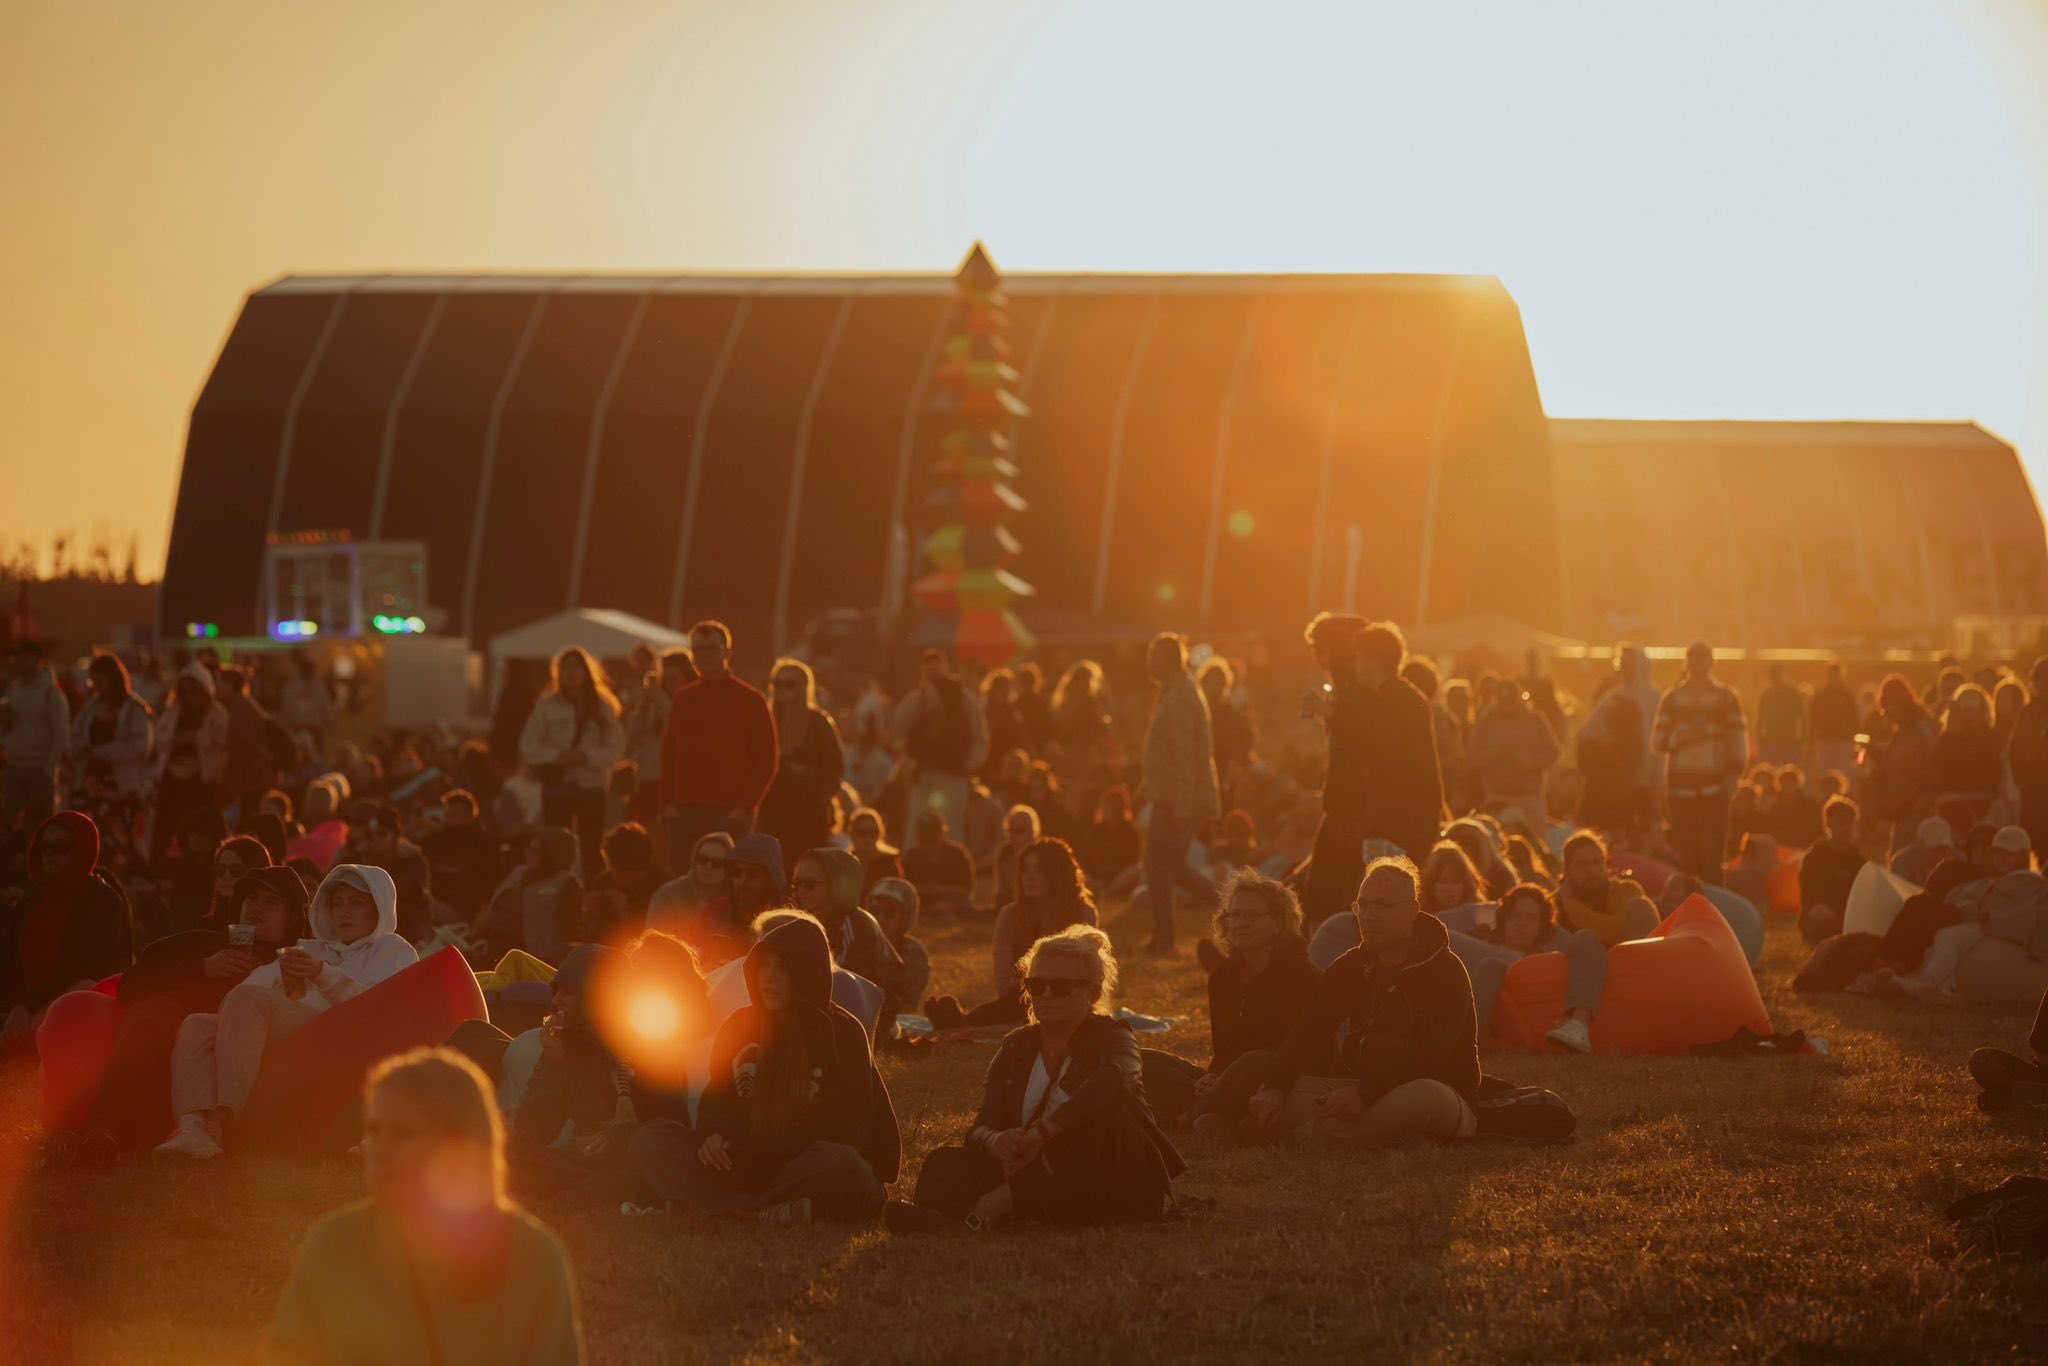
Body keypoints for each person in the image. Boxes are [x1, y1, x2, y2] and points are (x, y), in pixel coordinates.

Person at [268, 1047, 586, 1365]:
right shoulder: (335, 1243)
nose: (379, 1149)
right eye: (375, 1131)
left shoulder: (535, 1257)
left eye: (402, 1133)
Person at [888, 926, 1182, 1231]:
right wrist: (997, 1141)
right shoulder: (1016, 1046)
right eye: (1036, 985)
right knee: (944, 1163)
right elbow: (981, 1126)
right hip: (1037, 1171)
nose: (1046, 995)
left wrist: (1043, 1132)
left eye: (1061, 986)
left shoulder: (1115, 1037)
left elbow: (1115, 1080)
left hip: (1106, 1176)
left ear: (1092, 993)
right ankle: (983, 1216)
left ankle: (998, 1206)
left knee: (1104, 1120)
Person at [631, 915, 899, 1224]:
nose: (769, 978)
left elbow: (846, 1128)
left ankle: (725, 1210)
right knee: (651, 1140)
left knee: (840, 1164)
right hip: (748, 1162)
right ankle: (758, 1211)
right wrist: (715, 1135)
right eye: (764, 967)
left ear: (806, 973)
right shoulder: (740, 1025)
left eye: (782, 968)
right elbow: (717, 1099)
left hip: (801, 1163)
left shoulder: (843, 1032)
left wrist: (765, 1157)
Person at [50, 866, 308, 1166]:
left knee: (174, 1026)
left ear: (291, 919)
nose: (257, 908)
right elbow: (132, 983)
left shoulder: (294, 966)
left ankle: (106, 1134)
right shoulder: (202, 942)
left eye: (271, 902)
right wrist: (203, 967)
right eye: (252, 897)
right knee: (154, 1018)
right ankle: (100, 1133)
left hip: (223, 1061)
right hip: (155, 1039)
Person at [160, 863, 417, 1159]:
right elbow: (246, 991)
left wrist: (323, 974)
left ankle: (223, 1118)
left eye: (356, 902)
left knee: (250, 1001)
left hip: (344, 1036)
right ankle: (192, 1126)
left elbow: (379, 1007)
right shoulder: (310, 948)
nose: (344, 912)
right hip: (294, 1027)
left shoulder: (392, 951)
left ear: (379, 907)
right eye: (336, 904)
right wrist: (267, 992)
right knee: (198, 1023)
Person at [1247, 857, 1481, 1146]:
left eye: (1382, 906)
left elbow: (1428, 1061)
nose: (1369, 915)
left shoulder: (1445, 971)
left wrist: (1366, 1093)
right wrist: (1275, 1088)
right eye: (1363, 905)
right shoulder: (1351, 967)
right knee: (1270, 1083)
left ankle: (1298, 1137)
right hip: (1363, 1090)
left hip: (1439, 1093)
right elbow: (1307, 1032)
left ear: (1412, 911)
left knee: (1422, 1096)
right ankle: (1391, 1135)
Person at [1142, 872, 1320, 1134]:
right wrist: (1214, 1076)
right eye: (1234, 915)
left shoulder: (1302, 975)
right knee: (1142, 1060)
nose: (1239, 923)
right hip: (1231, 1083)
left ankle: (1185, 1119)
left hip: (1283, 1081)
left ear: (1278, 922)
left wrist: (1229, 1077)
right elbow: (1224, 1050)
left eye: (1251, 915)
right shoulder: (1222, 977)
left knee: (1257, 1061)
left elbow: (1297, 1052)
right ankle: (1216, 1115)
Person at [925, 838, 1099, 1030]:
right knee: (1018, 1002)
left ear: (1058, 875)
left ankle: (964, 1024)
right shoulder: (1009, 915)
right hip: (1020, 996)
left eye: (1039, 871)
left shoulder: (1083, 914)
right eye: (1025, 870)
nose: (1028, 877)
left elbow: (1085, 973)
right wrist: (1031, 987)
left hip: (1067, 995)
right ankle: (963, 1024)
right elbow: (1004, 981)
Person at [0, 811, 133, 1046]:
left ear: (81, 849)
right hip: (25, 1007)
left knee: (83, 987)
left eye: (60, 847)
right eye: (44, 847)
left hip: (82, 1005)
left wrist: (25, 1005)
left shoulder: (103, 901)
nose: (49, 854)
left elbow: (81, 965)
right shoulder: (31, 901)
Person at [659, 621, 779, 869]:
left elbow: (767, 757)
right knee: (683, 882)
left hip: (730, 812)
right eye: (699, 649)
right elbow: (669, 752)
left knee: (730, 883)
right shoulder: (683, 698)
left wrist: (747, 804)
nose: (705, 656)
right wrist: (666, 802)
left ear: (727, 652)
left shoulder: (751, 699)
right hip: (684, 810)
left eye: (712, 649)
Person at [1139, 632, 1222, 953]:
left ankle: (1164, 937)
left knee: (1158, 865)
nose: (1148, 662)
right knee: (1174, 867)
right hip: (1172, 796)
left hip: (1178, 800)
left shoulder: (1179, 696)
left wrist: (1183, 804)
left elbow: (1185, 754)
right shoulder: (1173, 691)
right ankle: (1237, 910)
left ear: (1169, 659)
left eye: (1153, 655)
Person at [518, 647, 624, 879]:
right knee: (557, 848)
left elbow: (615, 749)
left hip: (591, 786)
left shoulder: (603, 706)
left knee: (592, 849)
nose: (571, 673)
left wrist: (586, 757)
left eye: (576, 667)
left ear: (586, 671)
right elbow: (528, 746)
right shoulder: (546, 707)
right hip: (557, 786)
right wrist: (558, 756)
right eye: (565, 668)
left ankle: (594, 899)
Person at [1469, 881, 1608, 1054]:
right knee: (1492, 965)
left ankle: (1578, 1025)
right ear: (1503, 919)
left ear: (1541, 927)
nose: (1521, 923)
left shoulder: (1548, 962)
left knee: (1586, 938)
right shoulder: (1480, 952)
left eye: (1531, 918)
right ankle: (1464, 1041)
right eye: (1515, 915)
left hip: (1540, 1020)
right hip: (1497, 1023)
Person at [1651, 641, 1749, 881]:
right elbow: (1658, 741)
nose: (1698, 661)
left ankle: (1713, 909)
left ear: (1711, 662)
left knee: (1712, 854)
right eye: (1693, 656)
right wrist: (1685, 736)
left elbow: (1737, 741)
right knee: (1686, 855)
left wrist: (1733, 777)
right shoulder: (1672, 698)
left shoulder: (1726, 698)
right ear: (1687, 661)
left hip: (1715, 789)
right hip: (1680, 791)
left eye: (1702, 656)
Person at [63, 650, 155, 880]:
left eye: (100, 681)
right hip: (91, 784)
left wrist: (99, 752)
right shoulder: (91, 707)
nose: (96, 686)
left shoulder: (135, 708)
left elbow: (139, 747)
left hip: (120, 787)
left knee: (122, 841)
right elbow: (76, 736)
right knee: (92, 839)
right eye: (93, 681)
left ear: (113, 679)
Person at [787, 846, 908, 1020]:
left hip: (871, 1014)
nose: (800, 891)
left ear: (838, 884)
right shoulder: (810, 921)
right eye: (796, 885)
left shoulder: (855, 924)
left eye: (809, 884)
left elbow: (840, 981)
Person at [757, 659, 846, 864]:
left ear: (803, 686)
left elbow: (835, 766)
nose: (782, 689)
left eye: (789, 684)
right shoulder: (767, 719)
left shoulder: (818, 722)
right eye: (777, 683)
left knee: (806, 864)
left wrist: (820, 796)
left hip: (807, 809)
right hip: (773, 808)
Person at [896, 652, 987, 838]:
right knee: (916, 828)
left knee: (951, 829)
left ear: (946, 668)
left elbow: (979, 735)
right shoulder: (918, 700)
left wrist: (973, 761)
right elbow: (899, 729)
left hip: (953, 776)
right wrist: (905, 760)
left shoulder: (962, 697)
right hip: (924, 776)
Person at [149, 663, 230, 868]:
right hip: (173, 778)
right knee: (165, 825)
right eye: (184, 690)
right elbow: (159, 738)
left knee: (200, 826)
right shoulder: (173, 712)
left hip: (201, 781)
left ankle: (201, 866)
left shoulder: (217, 713)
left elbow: (222, 743)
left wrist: (196, 739)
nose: (189, 695)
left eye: (193, 689)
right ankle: (160, 868)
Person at [475, 828, 582, 963]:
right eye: (528, 848)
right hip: (498, 946)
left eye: (536, 851)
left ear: (551, 855)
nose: (528, 854)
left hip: (534, 958)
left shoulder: (565, 884)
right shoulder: (518, 873)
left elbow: (572, 931)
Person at [1466, 677, 1561, 829]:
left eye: (1510, 700)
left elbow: (1553, 752)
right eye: (1502, 701)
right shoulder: (1486, 721)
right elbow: (1472, 758)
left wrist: (1532, 764)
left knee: (1536, 845)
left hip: (1529, 797)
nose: (1507, 706)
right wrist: (1494, 755)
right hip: (1496, 797)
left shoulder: (1535, 719)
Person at [1867, 673, 1941, 858]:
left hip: (1919, 811)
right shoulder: (1901, 731)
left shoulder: (1923, 728)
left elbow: (1933, 763)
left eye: (1890, 711)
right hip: (1902, 810)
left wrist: (1921, 801)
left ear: (1902, 705)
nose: (1888, 717)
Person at [2, 640, 72, 832]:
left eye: (24, 656)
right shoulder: (14, 692)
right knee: (10, 826)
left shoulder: (51, 694)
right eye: (16, 657)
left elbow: (60, 737)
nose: (18, 661)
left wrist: (48, 768)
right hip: (15, 766)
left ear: (39, 660)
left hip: (40, 769)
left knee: (40, 826)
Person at [624, 648, 696, 823]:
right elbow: (633, 736)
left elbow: (679, 727)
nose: (670, 684)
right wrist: (643, 706)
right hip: (651, 775)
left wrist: (660, 698)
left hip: (681, 778)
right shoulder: (654, 704)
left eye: (675, 679)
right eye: (666, 679)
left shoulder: (691, 701)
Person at [1554, 830, 1659, 948]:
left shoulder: (1625, 891)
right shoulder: (1555, 904)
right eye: (1581, 864)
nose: (1591, 870)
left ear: (1606, 865)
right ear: (1567, 872)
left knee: (1640, 906)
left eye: (1597, 862)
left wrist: (1571, 905)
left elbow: (1617, 932)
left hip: (1632, 961)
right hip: (1585, 965)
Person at [348, 802, 434, 942]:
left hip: (411, 921)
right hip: (374, 923)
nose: (375, 840)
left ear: (394, 836)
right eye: (370, 836)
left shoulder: (413, 859)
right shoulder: (361, 858)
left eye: (381, 834)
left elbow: (402, 890)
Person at [419, 789, 504, 924]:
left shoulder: (487, 845)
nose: (447, 821)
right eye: (445, 816)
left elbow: (489, 885)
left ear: (470, 816)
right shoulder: (434, 841)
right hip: (435, 902)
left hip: (466, 910)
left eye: (453, 816)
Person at [1797, 796, 1867, 944]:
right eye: (1841, 823)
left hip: (1849, 918)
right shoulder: (1815, 858)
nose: (1846, 828)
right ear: (1828, 824)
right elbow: (1809, 896)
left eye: (1851, 823)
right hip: (1822, 918)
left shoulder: (1859, 861)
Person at [1935, 683, 2003, 834]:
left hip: (1985, 803)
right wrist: (1952, 735)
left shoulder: (1992, 736)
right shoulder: (1948, 737)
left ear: (1982, 706)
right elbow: (1939, 767)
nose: (1969, 708)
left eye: (1973, 701)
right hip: (1953, 803)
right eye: (1964, 702)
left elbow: (1992, 769)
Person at [584, 821, 666, 941]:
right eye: (613, 869)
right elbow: (595, 935)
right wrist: (590, 916)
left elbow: (659, 933)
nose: (617, 876)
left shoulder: (661, 886)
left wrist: (626, 913)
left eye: (624, 872)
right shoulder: (604, 881)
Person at [645, 831, 734, 939]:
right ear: (694, 860)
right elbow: (653, 940)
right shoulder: (667, 895)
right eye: (702, 859)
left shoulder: (734, 902)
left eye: (717, 863)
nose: (708, 866)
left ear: (729, 868)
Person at [216, 666, 281, 813]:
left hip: (254, 779)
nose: (217, 688)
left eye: (220, 683)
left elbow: (244, 747)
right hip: (257, 778)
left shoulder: (239, 708)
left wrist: (230, 780)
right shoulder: (245, 704)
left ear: (230, 684)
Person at [868, 877, 929, 1012]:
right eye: (875, 911)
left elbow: (905, 1004)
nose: (881, 918)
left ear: (905, 917)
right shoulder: (859, 943)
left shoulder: (913, 953)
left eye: (890, 913)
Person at [901, 810, 975, 918]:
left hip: (951, 900)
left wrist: (943, 890)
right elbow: (903, 887)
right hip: (922, 901)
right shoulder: (912, 856)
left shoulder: (957, 854)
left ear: (942, 834)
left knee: (961, 902)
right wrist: (925, 889)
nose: (930, 846)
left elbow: (967, 889)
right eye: (925, 841)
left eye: (933, 840)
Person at [1080, 784, 1142, 897]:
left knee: (1137, 869)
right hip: (1097, 875)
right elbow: (1087, 858)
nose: (1113, 810)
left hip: (1119, 877)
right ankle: (1099, 888)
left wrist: (1113, 871)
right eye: (1109, 805)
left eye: (1116, 805)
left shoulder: (1129, 830)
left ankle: (1108, 891)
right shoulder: (1097, 830)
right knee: (1081, 871)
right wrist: (1097, 874)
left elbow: (1133, 859)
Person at [1810, 661, 1861, 788]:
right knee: (1825, 772)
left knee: (1842, 773)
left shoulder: (1847, 696)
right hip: (1824, 740)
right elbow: (1813, 718)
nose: (1834, 678)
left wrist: (1853, 737)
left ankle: (1842, 796)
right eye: (1832, 675)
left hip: (1843, 740)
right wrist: (1812, 738)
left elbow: (1854, 718)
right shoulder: (1820, 695)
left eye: (1837, 675)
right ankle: (1824, 797)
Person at [276, 653, 335, 756]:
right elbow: (286, 707)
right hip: (297, 727)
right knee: (296, 755)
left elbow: (325, 707)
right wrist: (283, 725)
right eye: (305, 667)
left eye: (310, 667)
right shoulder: (292, 686)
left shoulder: (319, 687)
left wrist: (330, 722)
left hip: (314, 729)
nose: (308, 670)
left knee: (316, 757)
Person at [1755, 663, 1809, 768]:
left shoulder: (1793, 694)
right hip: (1770, 740)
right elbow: (1760, 718)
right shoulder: (1766, 694)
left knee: (1788, 772)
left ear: (1783, 674)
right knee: (1769, 771)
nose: (1774, 677)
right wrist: (1760, 739)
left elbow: (1802, 718)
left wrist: (1802, 740)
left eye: (1776, 674)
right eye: (1772, 675)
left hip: (1788, 741)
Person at [992, 804, 1040, 910]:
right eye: (1010, 830)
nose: (1013, 835)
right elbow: (1000, 890)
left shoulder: (1041, 854)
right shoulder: (1004, 853)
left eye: (1019, 831)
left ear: (1032, 832)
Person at [845, 807, 903, 895]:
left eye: (873, 833)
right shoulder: (845, 863)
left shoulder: (889, 863)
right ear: (852, 834)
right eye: (862, 833)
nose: (868, 838)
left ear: (880, 834)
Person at [1766, 766, 1824, 850]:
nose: (1788, 787)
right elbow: (1771, 831)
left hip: (1805, 847)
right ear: (1779, 785)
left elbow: (1817, 827)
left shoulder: (1810, 805)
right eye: (1785, 784)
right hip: (1784, 851)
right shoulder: (1775, 808)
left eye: (1791, 783)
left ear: (1798, 784)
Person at [1892, 816, 1956, 888]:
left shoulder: (1957, 863)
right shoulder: (1902, 863)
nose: (1939, 853)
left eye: (1942, 848)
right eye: (1934, 848)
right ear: (1920, 843)